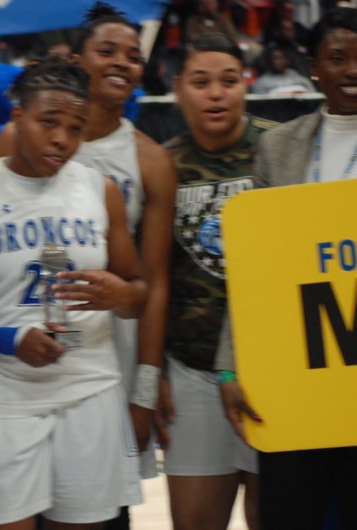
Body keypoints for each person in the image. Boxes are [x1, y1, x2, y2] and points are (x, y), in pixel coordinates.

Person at [0, 56, 145, 529]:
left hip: (89, 386)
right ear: (17, 116)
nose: (61, 139)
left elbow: (138, 293)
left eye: (75, 128)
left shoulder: (101, 191)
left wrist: (120, 296)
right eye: (48, 122)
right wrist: (11, 340)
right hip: (3, 398)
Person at [0, 6, 177, 528]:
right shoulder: (14, 140)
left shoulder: (151, 161)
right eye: (107, 51)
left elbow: (154, 283)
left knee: (99, 513)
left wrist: (145, 388)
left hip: (107, 357)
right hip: (25, 356)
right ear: (77, 60)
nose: (122, 63)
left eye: (133, 56)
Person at [217, 7, 357, 529]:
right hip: (298, 374)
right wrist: (230, 366)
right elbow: (253, 270)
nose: (352, 70)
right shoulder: (278, 148)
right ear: (313, 67)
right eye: (337, 58)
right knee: (289, 513)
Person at [158, 32, 270, 530]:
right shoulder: (161, 164)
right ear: (177, 88)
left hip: (272, 369)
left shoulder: (279, 148)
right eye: (201, 82)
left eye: (229, 80)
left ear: (246, 86)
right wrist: (153, 373)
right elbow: (154, 276)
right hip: (193, 370)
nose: (216, 93)